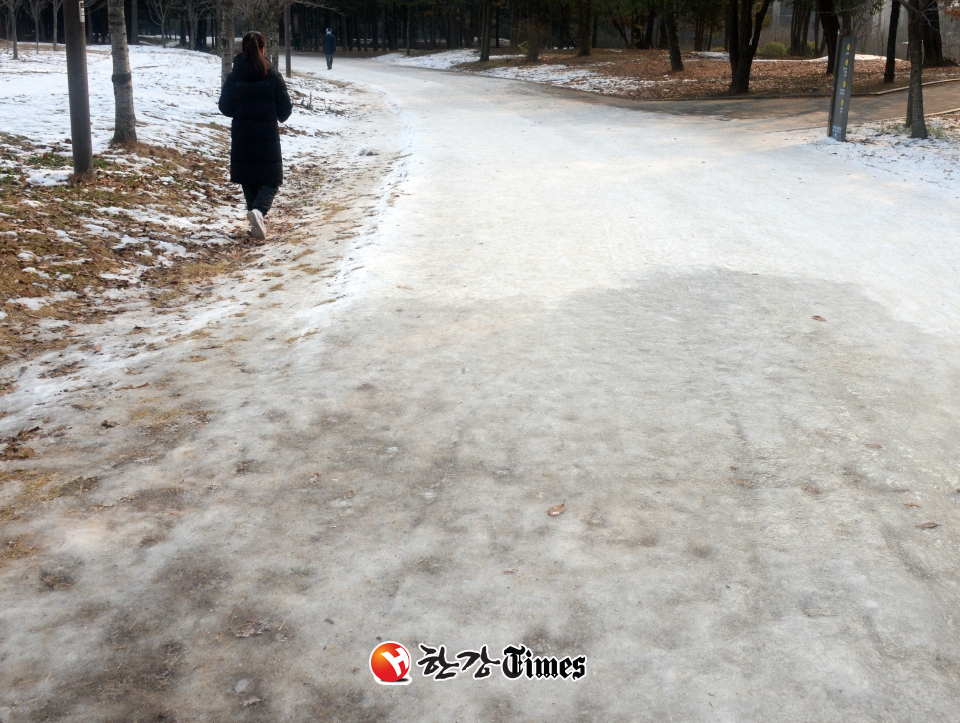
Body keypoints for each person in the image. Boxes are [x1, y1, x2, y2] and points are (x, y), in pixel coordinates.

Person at [218, 31, 293, 241]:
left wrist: (241, 110)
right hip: (267, 136)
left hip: (242, 135)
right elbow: (285, 110)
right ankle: (258, 213)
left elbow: (225, 107)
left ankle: (256, 220)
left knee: (249, 179)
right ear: (263, 49)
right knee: (271, 179)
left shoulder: (235, 77)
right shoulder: (272, 75)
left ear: (242, 49)